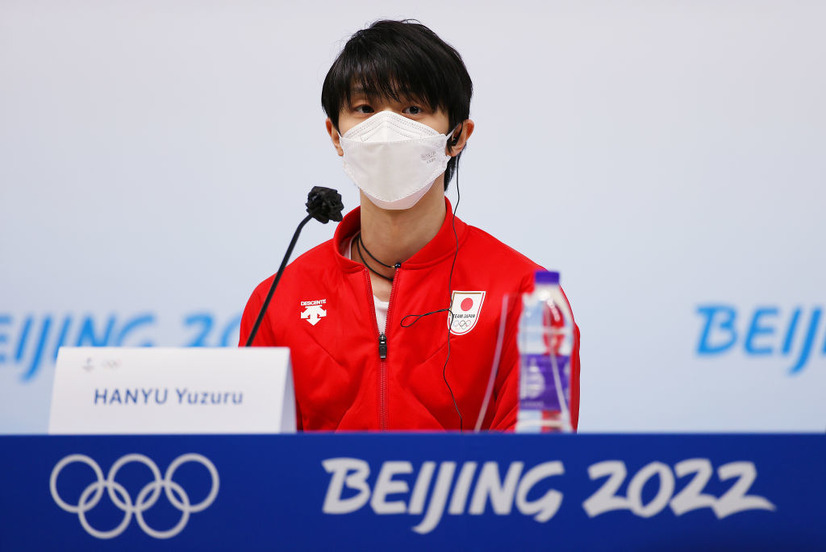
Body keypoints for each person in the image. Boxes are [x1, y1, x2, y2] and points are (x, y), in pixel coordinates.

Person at [240, 19, 580, 431]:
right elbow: (258, 471)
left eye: (412, 109)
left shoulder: (529, 297)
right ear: (336, 136)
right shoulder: (277, 301)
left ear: (457, 137)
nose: (386, 131)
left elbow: (535, 474)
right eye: (364, 109)